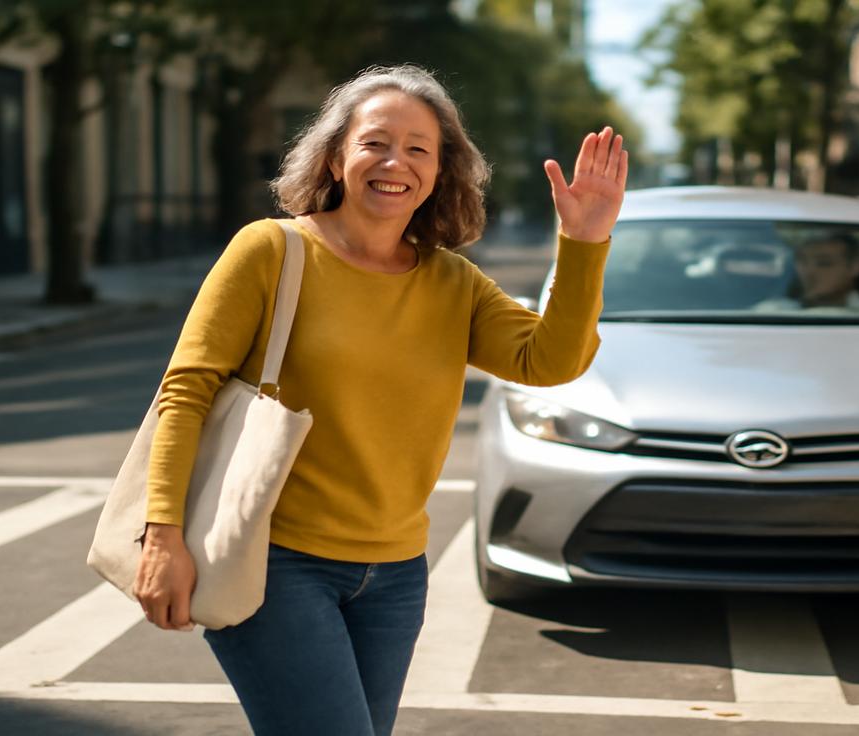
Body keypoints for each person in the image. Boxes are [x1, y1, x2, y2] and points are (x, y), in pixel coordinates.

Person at [130, 64, 627, 735]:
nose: (396, 162)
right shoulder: (270, 251)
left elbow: (551, 360)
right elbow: (184, 393)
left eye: (419, 148)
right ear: (336, 156)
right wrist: (162, 536)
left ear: (440, 171)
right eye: (375, 142)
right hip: (274, 562)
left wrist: (585, 241)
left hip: (394, 576)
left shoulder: (454, 282)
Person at [753, 233, 859, 314]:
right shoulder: (769, 312)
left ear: (855, 267)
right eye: (802, 261)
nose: (808, 271)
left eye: (824, 263)